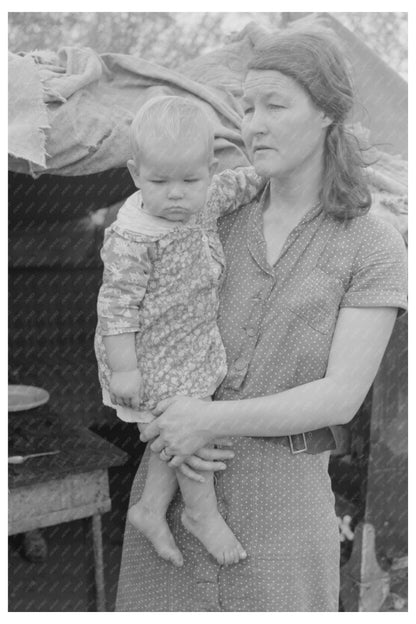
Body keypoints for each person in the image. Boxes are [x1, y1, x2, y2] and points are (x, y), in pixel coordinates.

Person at [116, 27, 407, 612]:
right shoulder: (207, 210)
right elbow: (138, 305)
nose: (254, 124)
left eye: (275, 105)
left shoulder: (373, 246)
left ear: (328, 112)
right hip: (169, 497)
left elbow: (340, 397)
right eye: (247, 107)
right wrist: (154, 415)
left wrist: (205, 417)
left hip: (284, 516)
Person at [95, 96, 265, 568]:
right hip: (144, 354)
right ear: (134, 175)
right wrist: (126, 369)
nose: (175, 194)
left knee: (181, 425)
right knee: (188, 427)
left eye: (189, 180)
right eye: (159, 181)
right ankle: (200, 512)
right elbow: (115, 307)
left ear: (207, 171)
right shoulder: (133, 237)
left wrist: (268, 168)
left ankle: (149, 509)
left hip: (187, 345)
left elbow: (240, 184)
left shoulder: (205, 197)